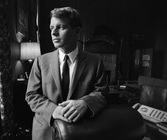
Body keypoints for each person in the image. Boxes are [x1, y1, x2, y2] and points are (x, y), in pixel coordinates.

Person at [25, 7, 108, 140]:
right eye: (51, 28)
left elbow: (102, 93)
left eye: (60, 27)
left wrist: (85, 103)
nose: (54, 33)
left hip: (80, 132)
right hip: (45, 132)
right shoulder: (41, 61)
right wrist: (53, 110)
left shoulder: (95, 61)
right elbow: (31, 95)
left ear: (77, 31)